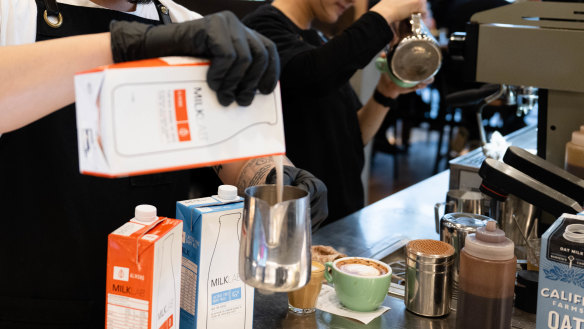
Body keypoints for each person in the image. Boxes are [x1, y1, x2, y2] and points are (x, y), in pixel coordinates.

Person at [0, 1, 327, 327]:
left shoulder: (185, 22)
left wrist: (276, 176)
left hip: (154, 306)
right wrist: (125, 46)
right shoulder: (15, 13)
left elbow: (230, 144)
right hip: (33, 304)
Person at [243, 0, 432, 225]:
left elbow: (354, 134)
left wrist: (387, 90)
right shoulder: (259, 29)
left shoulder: (315, 39)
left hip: (343, 219)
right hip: (294, 225)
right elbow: (313, 76)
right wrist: (386, 12)